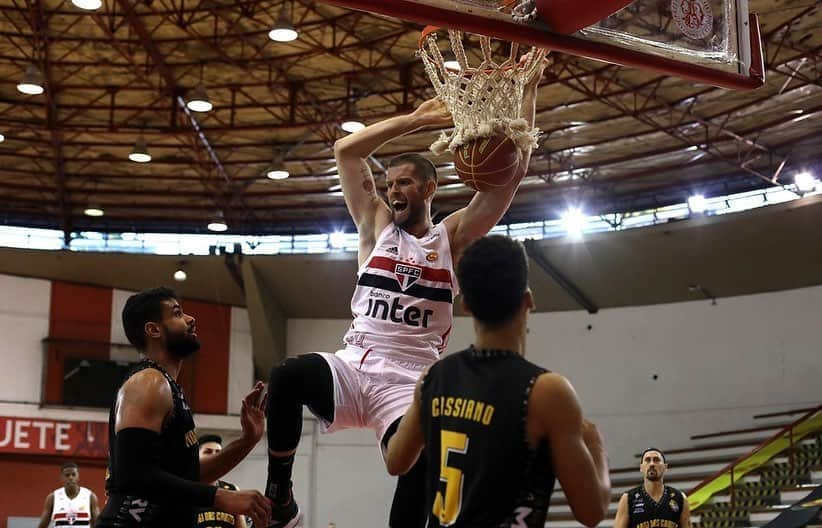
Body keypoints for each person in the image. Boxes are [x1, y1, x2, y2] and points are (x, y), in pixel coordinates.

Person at [264, 60, 548, 528]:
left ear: (430, 189)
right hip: (353, 367)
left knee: (415, 465)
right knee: (287, 374)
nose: (393, 190)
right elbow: (346, 152)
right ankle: (281, 496)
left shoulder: (450, 239)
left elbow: (507, 181)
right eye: (390, 182)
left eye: (405, 183)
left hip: (409, 382)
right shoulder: (374, 224)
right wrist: (415, 119)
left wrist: (528, 94)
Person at [384, 235, 612, 527]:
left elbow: (396, 461)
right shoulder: (547, 391)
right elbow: (592, 512)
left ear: (465, 304)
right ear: (528, 299)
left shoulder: (433, 378)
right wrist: (595, 445)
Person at [96, 287, 271, 528]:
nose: (190, 319)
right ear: (153, 329)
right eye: (177, 313)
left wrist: (247, 440)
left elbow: (188, 475)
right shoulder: (149, 382)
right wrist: (220, 497)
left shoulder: (169, 387)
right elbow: (133, 475)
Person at [614, 448, 692, 528]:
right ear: (641, 467)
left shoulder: (680, 498)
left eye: (656, 460)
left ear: (665, 467)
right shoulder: (628, 498)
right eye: (647, 460)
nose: (652, 464)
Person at [195, 434, 249, 528]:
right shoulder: (186, 489)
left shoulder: (232, 490)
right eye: (208, 452)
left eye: (218, 452)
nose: (214, 456)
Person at [37, 462, 100, 528]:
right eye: (67, 475)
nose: (70, 478)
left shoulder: (90, 496)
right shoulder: (53, 497)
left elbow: (98, 524)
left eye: (73, 475)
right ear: (62, 477)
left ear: (78, 476)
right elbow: (42, 526)